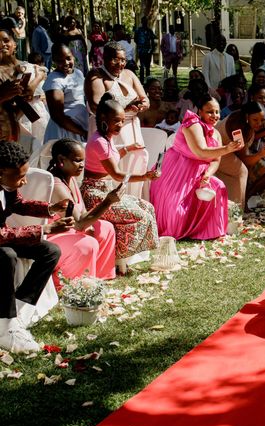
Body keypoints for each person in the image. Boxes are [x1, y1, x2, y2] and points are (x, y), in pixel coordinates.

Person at [0, 141, 72, 353]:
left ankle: (18, 315)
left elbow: (18, 204)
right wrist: (46, 229)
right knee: (7, 256)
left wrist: (50, 208)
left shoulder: (7, 185)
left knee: (50, 251)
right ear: (2, 172)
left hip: (3, 237)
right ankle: (5, 324)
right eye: (19, 176)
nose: (24, 182)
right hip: (1, 241)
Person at [82, 93, 159, 274]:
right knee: (140, 216)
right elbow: (116, 174)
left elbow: (111, 157)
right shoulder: (99, 141)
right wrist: (145, 176)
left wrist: (127, 148)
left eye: (122, 121)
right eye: (116, 121)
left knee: (148, 208)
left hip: (106, 191)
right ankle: (116, 258)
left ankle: (122, 259)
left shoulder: (106, 137)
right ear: (103, 118)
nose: (120, 125)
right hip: (95, 196)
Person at [150, 94, 242, 240]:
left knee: (219, 187)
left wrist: (208, 174)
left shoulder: (216, 134)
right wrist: (227, 149)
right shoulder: (192, 124)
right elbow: (201, 151)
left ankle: (211, 231)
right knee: (176, 215)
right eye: (210, 111)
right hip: (177, 171)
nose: (215, 115)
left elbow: (216, 160)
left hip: (200, 174)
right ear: (200, 112)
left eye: (217, 112)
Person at [47, 139, 118, 283]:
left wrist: (90, 225)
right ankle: (74, 285)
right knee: (88, 243)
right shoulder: (56, 185)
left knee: (106, 228)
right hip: (54, 238)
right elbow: (78, 223)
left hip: (72, 231)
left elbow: (83, 212)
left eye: (83, 161)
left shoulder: (70, 178)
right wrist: (107, 202)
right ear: (61, 159)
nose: (82, 165)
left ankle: (98, 278)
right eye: (77, 161)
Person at [85, 41, 150, 198]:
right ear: (104, 58)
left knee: (135, 163)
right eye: (115, 59)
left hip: (131, 129)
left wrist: (141, 106)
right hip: (108, 130)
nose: (119, 63)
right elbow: (96, 105)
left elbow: (145, 99)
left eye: (123, 59)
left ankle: (133, 199)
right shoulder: (96, 75)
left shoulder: (129, 74)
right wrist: (126, 108)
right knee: (113, 167)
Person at [216, 101, 265, 206]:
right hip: (220, 149)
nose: (259, 123)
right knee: (242, 171)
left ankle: (246, 199)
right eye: (255, 120)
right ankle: (238, 209)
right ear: (247, 116)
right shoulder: (237, 128)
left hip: (234, 150)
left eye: (262, 120)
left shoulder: (245, 119)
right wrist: (260, 155)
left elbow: (250, 138)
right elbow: (244, 160)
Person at [0, 28, 46, 142]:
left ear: (15, 44)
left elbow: (43, 94)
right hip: (8, 126)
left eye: (6, 40)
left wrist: (33, 86)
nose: (2, 44)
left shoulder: (30, 67)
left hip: (37, 120)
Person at [43, 43, 89, 142]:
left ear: (73, 56)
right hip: (65, 131)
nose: (66, 63)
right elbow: (57, 116)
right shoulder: (54, 80)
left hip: (81, 124)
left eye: (68, 58)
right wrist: (82, 132)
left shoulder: (78, 73)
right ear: (54, 61)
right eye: (60, 61)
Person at [133, 17, 155, 84]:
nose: (145, 23)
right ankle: (142, 81)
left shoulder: (149, 30)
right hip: (141, 50)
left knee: (148, 67)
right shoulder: (138, 30)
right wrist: (140, 45)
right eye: (144, 21)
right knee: (142, 66)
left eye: (146, 21)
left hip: (148, 51)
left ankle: (148, 80)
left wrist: (152, 49)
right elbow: (135, 39)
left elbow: (153, 40)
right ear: (142, 22)